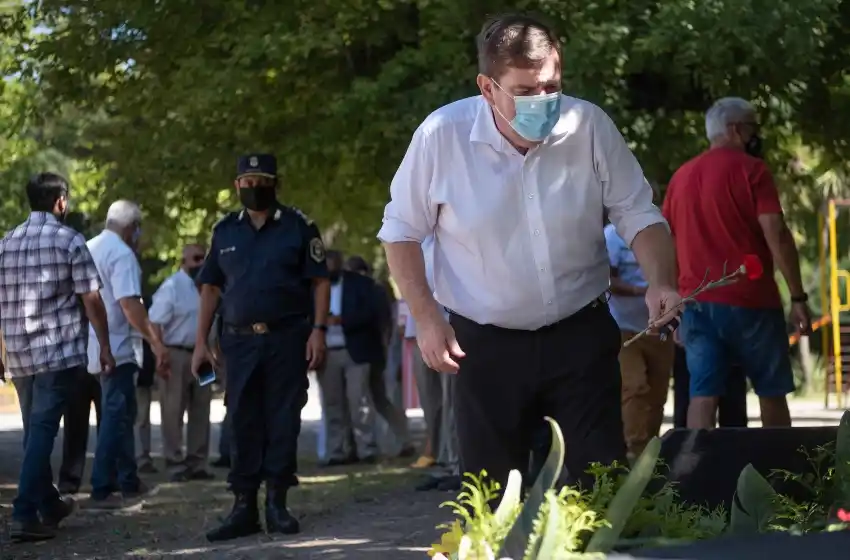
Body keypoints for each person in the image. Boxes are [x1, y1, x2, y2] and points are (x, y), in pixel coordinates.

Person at [378, 13, 680, 492]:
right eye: (524, 90)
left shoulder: (589, 126)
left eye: (552, 87)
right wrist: (428, 318)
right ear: (487, 87)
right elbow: (400, 233)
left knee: (601, 486)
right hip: (483, 344)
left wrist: (661, 280)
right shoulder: (441, 136)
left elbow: (639, 214)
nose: (542, 101)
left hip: (580, 335)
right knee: (491, 494)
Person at [193, 154, 330, 541]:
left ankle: (277, 503)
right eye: (247, 181)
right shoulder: (224, 232)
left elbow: (320, 281)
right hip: (238, 343)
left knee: (283, 419)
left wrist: (318, 331)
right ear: (237, 185)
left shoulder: (299, 227)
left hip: (287, 339)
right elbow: (210, 288)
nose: (254, 188)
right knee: (241, 419)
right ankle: (243, 507)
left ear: (275, 183)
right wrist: (200, 341)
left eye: (262, 181)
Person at [663, 97, 811, 429]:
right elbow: (776, 232)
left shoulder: (681, 177)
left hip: (696, 303)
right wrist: (798, 297)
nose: (756, 134)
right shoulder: (753, 170)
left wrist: (674, 302)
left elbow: (667, 243)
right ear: (734, 129)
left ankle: (696, 461)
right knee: (771, 392)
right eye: (752, 127)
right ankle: (778, 460)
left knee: (703, 395)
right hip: (752, 302)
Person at [0, 173, 114, 541]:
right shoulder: (69, 240)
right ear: (60, 201)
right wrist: (105, 347)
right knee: (42, 432)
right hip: (56, 352)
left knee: (35, 432)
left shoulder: (6, 243)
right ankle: (24, 514)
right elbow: (91, 298)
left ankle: (49, 503)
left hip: (19, 354)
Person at [83, 200, 170, 509]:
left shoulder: (88, 248)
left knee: (122, 413)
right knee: (115, 415)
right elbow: (129, 304)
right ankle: (102, 486)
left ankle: (128, 479)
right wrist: (156, 342)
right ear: (131, 228)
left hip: (92, 345)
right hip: (118, 347)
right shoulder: (121, 254)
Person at [605, 222, 675, 460]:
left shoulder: (662, 232)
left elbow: (673, 275)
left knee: (657, 394)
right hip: (622, 327)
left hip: (658, 325)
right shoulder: (612, 236)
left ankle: (650, 455)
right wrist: (642, 292)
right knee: (634, 387)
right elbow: (607, 280)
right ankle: (633, 453)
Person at [149, 243, 215, 481]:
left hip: (204, 355)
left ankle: (198, 463)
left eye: (204, 258)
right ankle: (175, 463)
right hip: (176, 354)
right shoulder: (172, 287)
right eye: (196, 258)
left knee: (202, 408)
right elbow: (154, 322)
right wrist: (160, 353)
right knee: (173, 409)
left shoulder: (211, 286)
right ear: (183, 262)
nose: (201, 263)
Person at [316, 250, 384, 465]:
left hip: (356, 351)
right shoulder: (313, 286)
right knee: (333, 404)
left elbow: (372, 314)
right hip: (327, 352)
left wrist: (342, 320)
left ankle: (367, 449)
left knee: (359, 401)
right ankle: (337, 450)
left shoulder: (360, 285)